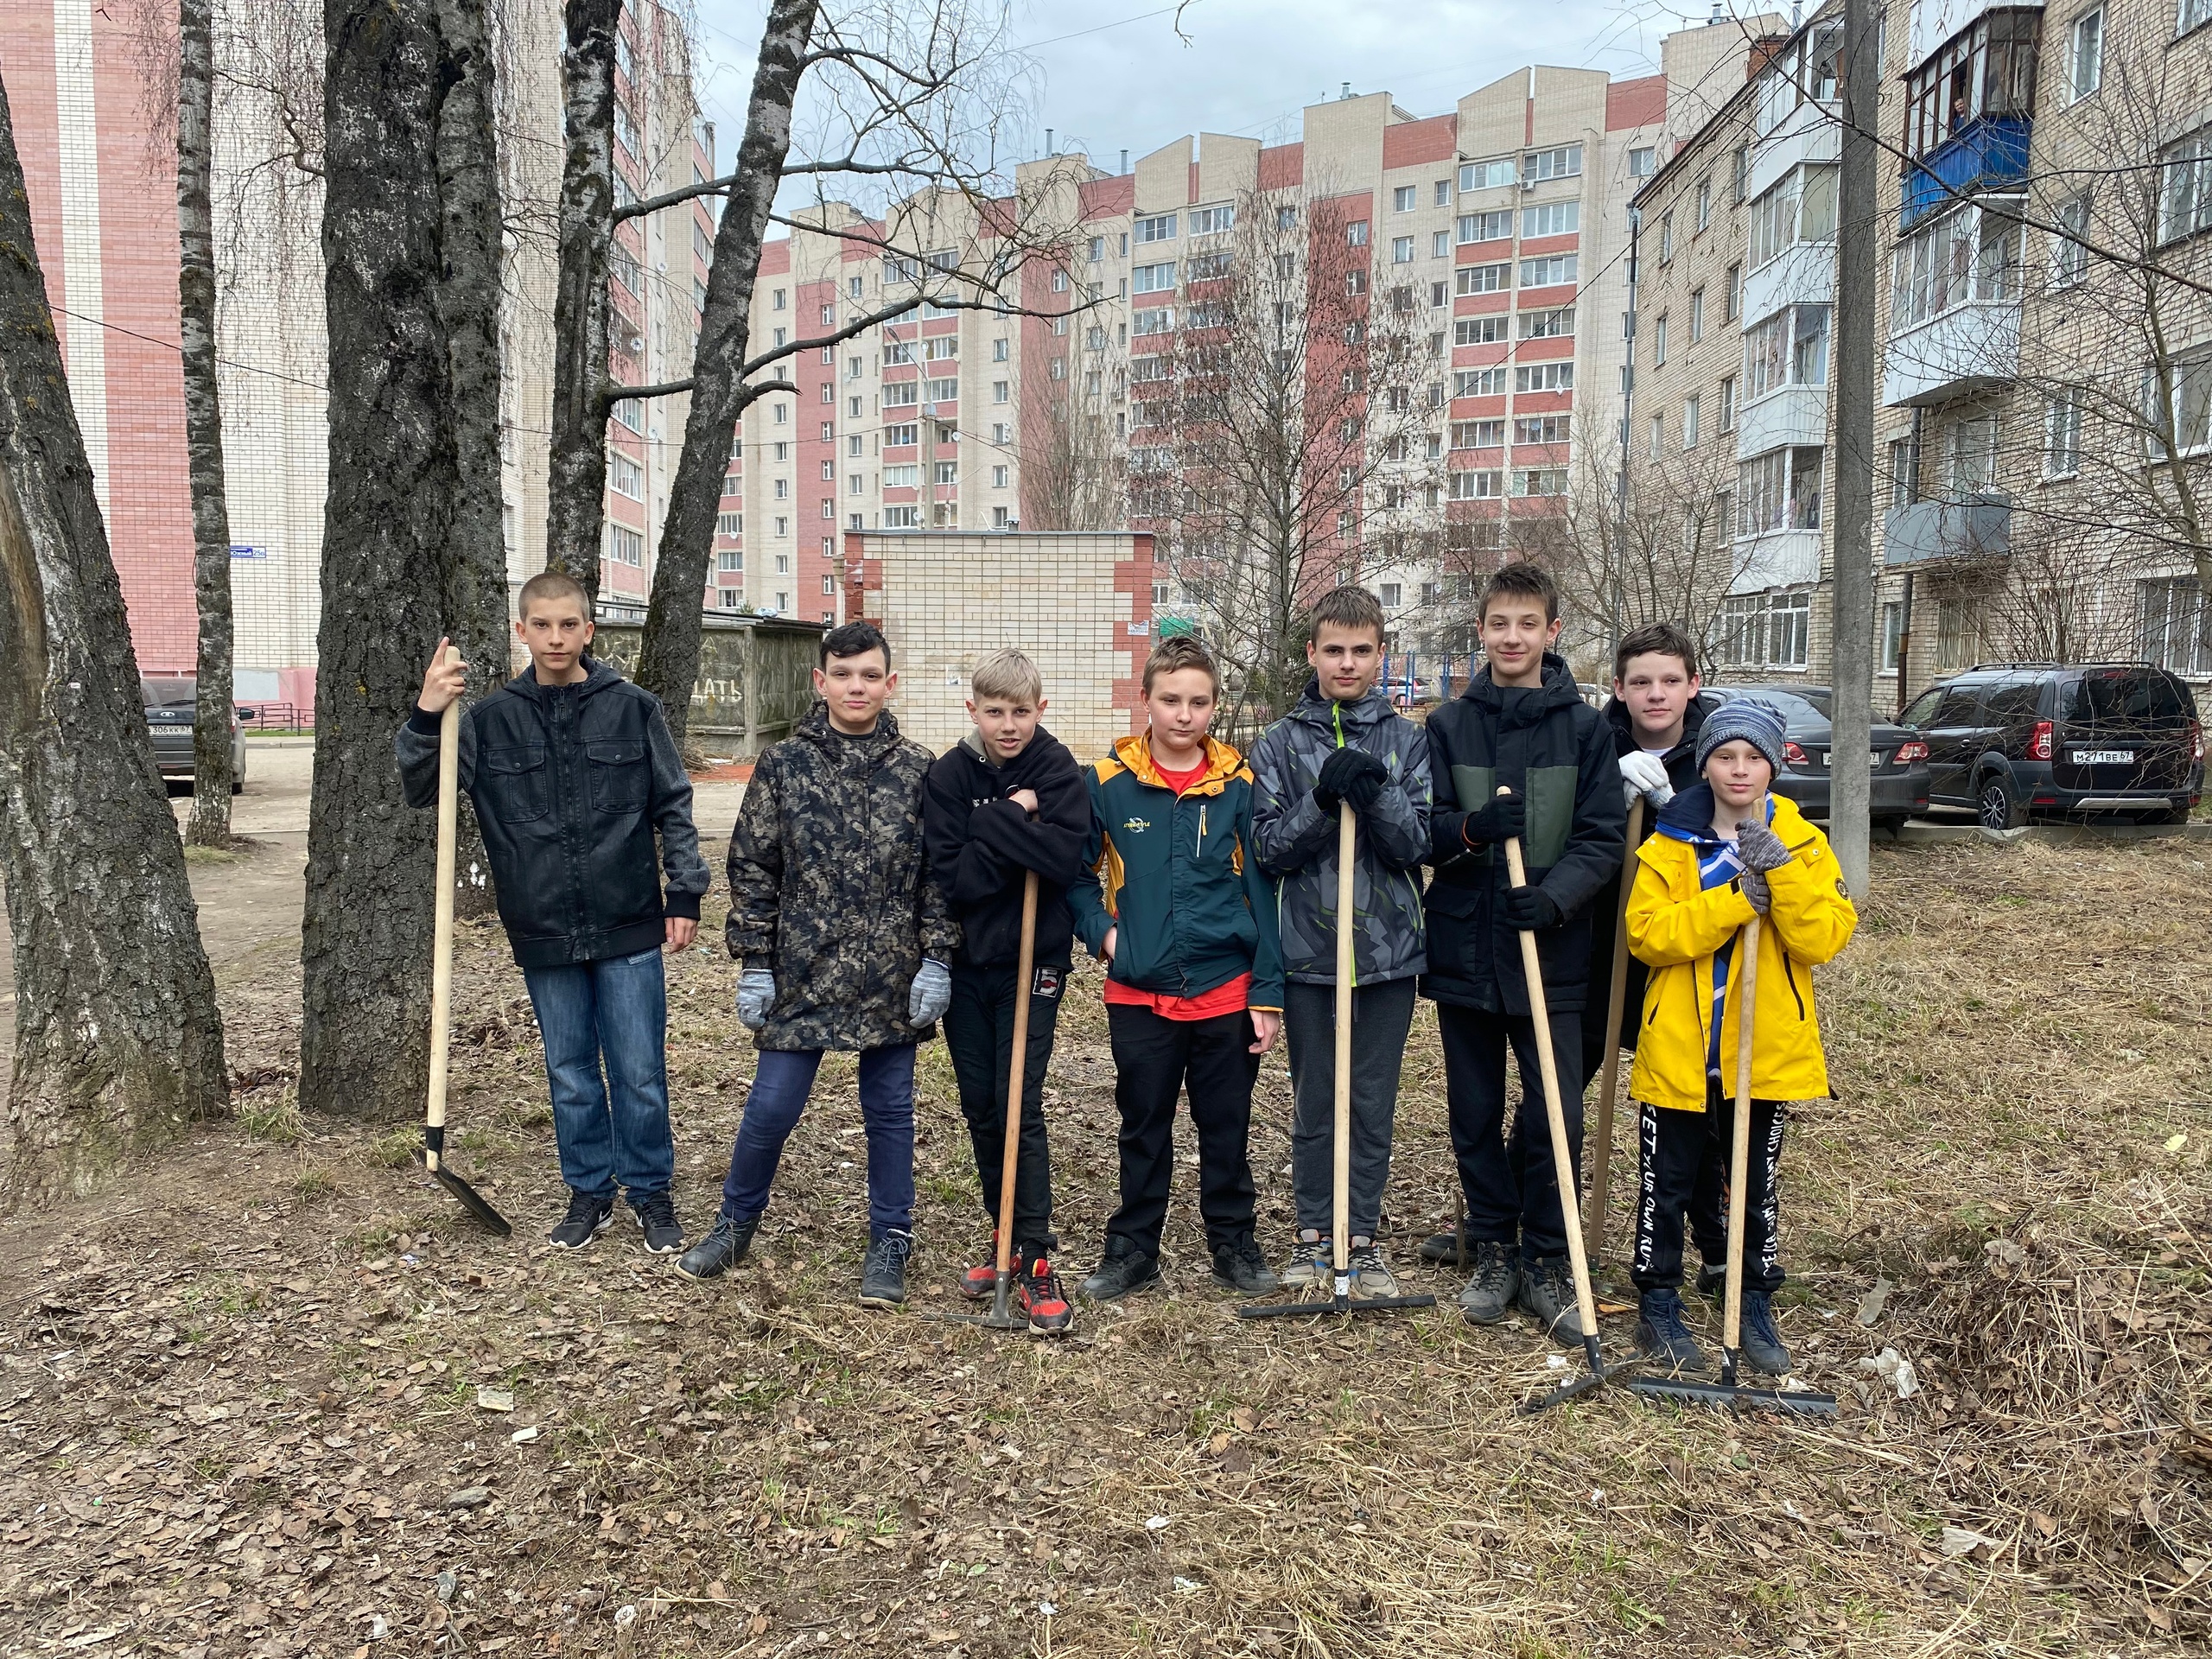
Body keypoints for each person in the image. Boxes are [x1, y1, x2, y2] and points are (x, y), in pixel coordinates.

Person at [397, 570, 708, 1255]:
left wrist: (684, 892)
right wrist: (425, 713)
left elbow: (672, 803)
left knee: (638, 1069)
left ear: (589, 630)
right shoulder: (486, 721)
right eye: (543, 624)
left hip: (628, 917)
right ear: (522, 631)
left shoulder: (633, 708)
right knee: (569, 1071)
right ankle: (589, 1191)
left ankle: (650, 1192)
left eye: (570, 624)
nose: (557, 637)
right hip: (542, 925)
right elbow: (425, 790)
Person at [677, 620, 957, 1310]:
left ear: (891, 683)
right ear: (820, 681)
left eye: (869, 675)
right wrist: (753, 961)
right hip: (802, 970)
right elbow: (752, 865)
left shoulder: (921, 769)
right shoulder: (784, 765)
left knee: (889, 1112)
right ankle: (735, 1223)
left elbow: (939, 877)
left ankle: (891, 1239)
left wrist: (938, 958)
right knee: (772, 1106)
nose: (856, 686)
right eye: (843, 674)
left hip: (891, 974)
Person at [1418, 562, 1624, 1341]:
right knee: (1472, 1113)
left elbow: (1604, 837)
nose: (1512, 637)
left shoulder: (1585, 730)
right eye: (1498, 624)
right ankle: (1494, 1245)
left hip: (1553, 952)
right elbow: (1426, 826)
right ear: (1481, 631)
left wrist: (1558, 894)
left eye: (1527, 624)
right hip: (1467, 949)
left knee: (1555, 1113)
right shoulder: (1447, 727)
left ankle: (1545, 1253)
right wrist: (1471, 832)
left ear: (1552, 631)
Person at [1624, 698, 1857, 1376]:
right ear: (1705, 764)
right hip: (1682, 1049)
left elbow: (1824, 938)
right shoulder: (1670, 841)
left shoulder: (1805, 844)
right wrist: (1732, 897)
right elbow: (1648, 936)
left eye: (1754, 758)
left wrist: (1778, 870)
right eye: (1725, 756)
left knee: (1754, 1185)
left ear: (1773, 767)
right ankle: (1659, 1302)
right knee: (1664, 1185)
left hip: (1764, 1053)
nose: (1739, 770)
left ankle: (1751, 1301)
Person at [1068, 634, 1286, 1301]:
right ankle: (1134, 1246)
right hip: (1139, 993)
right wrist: (1109, 940)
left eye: (1198, 702)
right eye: (1170, 700)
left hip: (1225, 989)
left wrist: (1268, 991)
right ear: (1147, 701)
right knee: (1143, 1125)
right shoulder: (1106, 783)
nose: (1184, 715)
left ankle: (1234, 1243)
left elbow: (1264, 891)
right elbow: (1078, 878)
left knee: (1227, 1127)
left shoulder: (1240, 785)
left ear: (1215, 705)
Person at [1249, 588, 1432, 1298]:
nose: (1347, 663)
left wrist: (1375, 790)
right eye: (1334, 650)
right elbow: (1268, 849)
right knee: (1316, 1098)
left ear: (1381, 654)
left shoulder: (1407, 740)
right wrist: (1323, 801)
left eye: (1361, 651)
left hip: (1385, 958)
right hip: (1307, 955)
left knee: (1372, 1101)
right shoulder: (1279, 743)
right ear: (1311, 654)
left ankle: (1361, 1236)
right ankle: (1313, 1234)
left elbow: (1416, 841)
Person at [921, 649, 1090, 1334]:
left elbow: (1062, 860)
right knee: (980, 1105)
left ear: (1040, 709)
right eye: (995, 711)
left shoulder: (1057, 770)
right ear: (974, 709)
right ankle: (1003, 1240)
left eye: (1021, 711)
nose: (1009, 725)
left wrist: (992, 827)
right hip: (970, 964)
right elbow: (955, 880)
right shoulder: (949, 775)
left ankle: (1037, 1256)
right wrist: (1013, 820)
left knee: (1017, 1101)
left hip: (1034, 963)